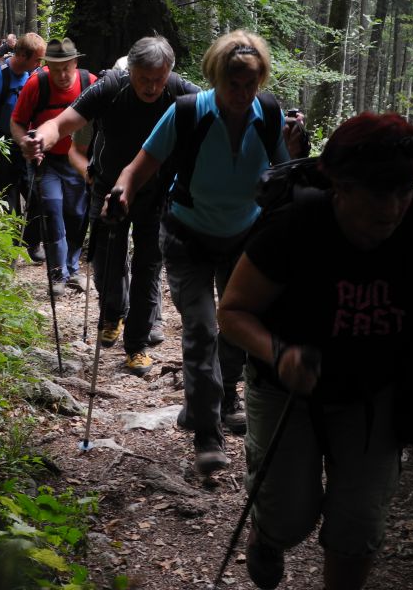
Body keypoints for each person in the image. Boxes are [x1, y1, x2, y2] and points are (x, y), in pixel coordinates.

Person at [216, 113, 413, 590]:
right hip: (290, 388)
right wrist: (281, 353)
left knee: (359, 525)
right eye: (377, 193)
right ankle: (266, 536)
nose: (391, 209)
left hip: (377, 390)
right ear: (341, 186)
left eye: (403, 191)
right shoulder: (296, 224)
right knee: (288, 517)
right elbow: (233, 311)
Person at [106, 30, 290, 473]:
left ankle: (221, 398)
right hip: (188, 234)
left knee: (236, 327)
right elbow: (139, 166)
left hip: (244, 235)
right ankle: (208, 432)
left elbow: (283, 175)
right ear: (215, 78)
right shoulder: (187, 112)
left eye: (251, 85)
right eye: (234, 85)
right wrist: (121, 192)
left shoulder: (267, 114)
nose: (243, 94)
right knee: (203, 327)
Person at [22, 36, 200, 377]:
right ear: (130, 70)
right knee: (105, 262)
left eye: (158, 79)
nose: (151, 87)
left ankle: (137, 346)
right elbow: (62, 123)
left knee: (148, 265)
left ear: (169, 73)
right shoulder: (111, 87)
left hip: (156, 192)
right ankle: (112, 313)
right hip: (106, 188)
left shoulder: (179, 90)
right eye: (144, 78)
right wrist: (40, 139)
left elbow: (219, 109)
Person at [11, 39, 95, 296]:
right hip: (46, 162)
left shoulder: (89, 83)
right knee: (52, 209)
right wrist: (26, 142)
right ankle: (57, 272)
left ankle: (72, 269)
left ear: (75, 63)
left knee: (77, 215)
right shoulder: (37, 84)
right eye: (55, 69)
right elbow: (17, 122)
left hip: (79, 160)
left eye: (66, 68)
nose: (61, 75)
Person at [0, 33, 47, 254]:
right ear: (22, 54)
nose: (39, 64)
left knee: (37, 196)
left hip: (26, 145)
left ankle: (32, 243)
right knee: (7, 199)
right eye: (36, 59)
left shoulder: (33, 75)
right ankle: (7, 249)